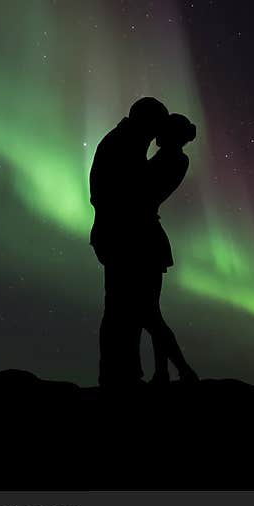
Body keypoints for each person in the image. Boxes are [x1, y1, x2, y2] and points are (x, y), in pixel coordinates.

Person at [89, 97, 169, 387]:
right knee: (123, 308)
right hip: (122, 236)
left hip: (117, 234)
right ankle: (118, 375)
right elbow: (123, 193)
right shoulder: (125, 143)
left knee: (124, 308)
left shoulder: (125, 141)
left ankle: (121, 373)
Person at [144, 114, 199, 384]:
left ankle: (182, 370)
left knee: (149, 314)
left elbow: (142, 185)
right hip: (150, 236)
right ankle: (164, 372)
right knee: (152, 311)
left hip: (145, 236)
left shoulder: (173, 159)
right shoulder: (175, 158)